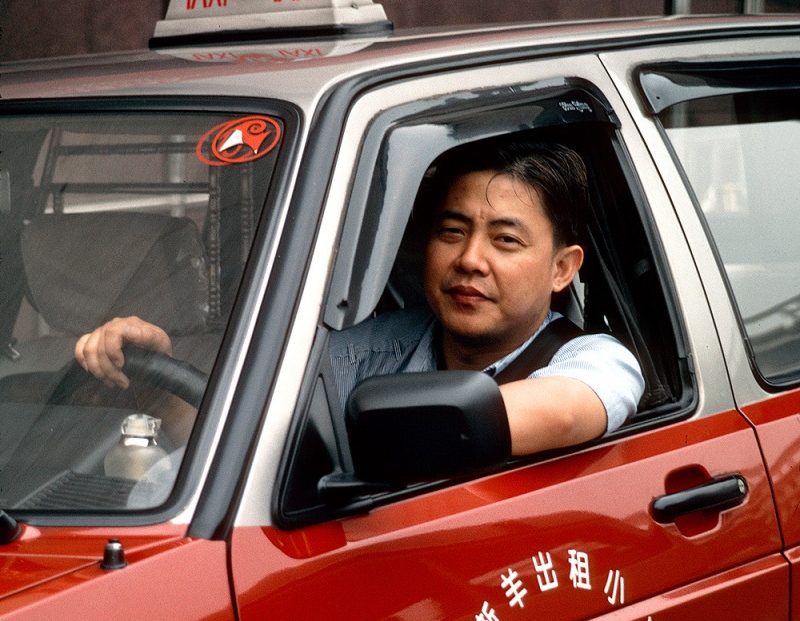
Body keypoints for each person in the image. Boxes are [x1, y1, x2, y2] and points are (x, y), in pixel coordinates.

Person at [75, 140, 644, 457]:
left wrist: (368, 433)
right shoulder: (358, 354)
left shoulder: (596, 361)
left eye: (505, 240)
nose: (471, 259)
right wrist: (160, 380)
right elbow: (250, 451)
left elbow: (564, 412)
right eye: (452, 231)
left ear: (562, 269)